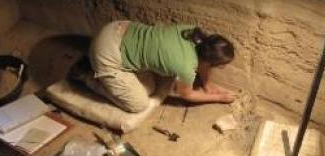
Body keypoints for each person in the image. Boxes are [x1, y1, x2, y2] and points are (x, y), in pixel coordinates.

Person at [88, 20, 236, 113]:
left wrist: (207, 85)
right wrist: (218, 97)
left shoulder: (194, 33)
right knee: (138, 104)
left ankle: (115, 71)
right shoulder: (185, 67)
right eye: (218, 66)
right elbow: (187, 94)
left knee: (150, 88)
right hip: (106, 52)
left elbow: (204, 65)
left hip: (118, 27)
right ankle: (90, 77)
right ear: (209, 62)